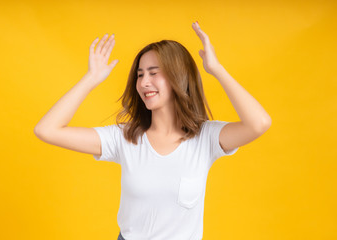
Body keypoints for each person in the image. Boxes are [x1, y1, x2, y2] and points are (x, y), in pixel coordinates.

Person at [34, 21, 271, 240]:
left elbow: (258, 123)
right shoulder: (124, 138)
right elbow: (47, 130)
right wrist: (91, 78)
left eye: (153, 73)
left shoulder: (205, 138)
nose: (144, 82)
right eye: (140, 75)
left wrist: (217, 69)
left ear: (178, 77)